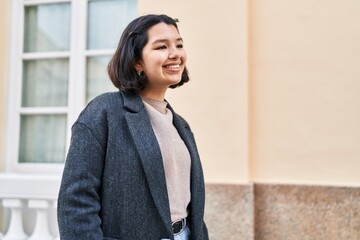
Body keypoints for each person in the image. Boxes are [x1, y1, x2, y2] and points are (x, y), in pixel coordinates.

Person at [57, 14, 209, 240]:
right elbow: (76, 201)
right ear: (137, 62)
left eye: (179, 44)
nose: (175, 53)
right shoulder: (105, 112)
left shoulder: (181, 126)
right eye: (161, 47)